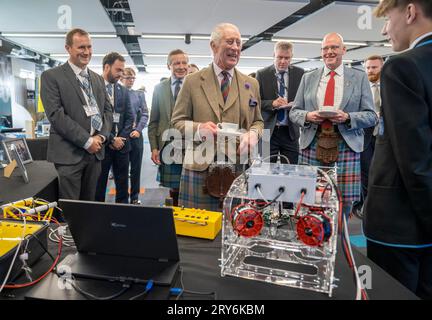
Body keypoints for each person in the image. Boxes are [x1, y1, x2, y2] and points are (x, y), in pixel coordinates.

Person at [364, 0, 432, 300]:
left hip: (404, 229)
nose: (384, 28)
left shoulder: (403, 66)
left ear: (409, 12)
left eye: (388, 18)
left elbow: (415, 163)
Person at [171, 23, 263, 211]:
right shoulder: (192, 81)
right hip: (199, 167)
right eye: (230, 42)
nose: (236, 48)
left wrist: (253, 134)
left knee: (236, 230)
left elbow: (258, 121)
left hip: (238, 167)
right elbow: (176, 122)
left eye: (239, 43)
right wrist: (198, 129)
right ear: (213, 46)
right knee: (195, 232)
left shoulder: (251, 84)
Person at [289, 32, 377, 218]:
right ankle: (312, 238)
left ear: (343, 50)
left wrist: (347, 117)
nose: (329, 52)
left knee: (343, 202)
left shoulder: (359, 77)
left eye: (334, 47)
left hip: (346, 144)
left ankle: (338, 241)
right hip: (312, 143)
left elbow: (371, 116)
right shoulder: (308, 77)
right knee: (309, 197)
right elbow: (294, 112)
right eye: (325, 48)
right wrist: (308, 116)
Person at [41, 28, 112, 200]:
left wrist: (101, 137)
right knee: (71, 209)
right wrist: (87, 141)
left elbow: (108, 111)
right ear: (68, 48)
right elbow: (56, 115)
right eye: (81, 47)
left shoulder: (97, 79)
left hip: (95, 153)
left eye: (89, 47)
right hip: (69, 154)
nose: (86, 52)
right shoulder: (51, 76)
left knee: (89, 205)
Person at [148, 49, 189, 206]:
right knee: (174, 188)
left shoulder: (195, 85)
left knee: (191, 186)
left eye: (184, 63)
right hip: (167, 145)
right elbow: (154, 121)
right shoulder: (159, 88)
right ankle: (176, 215)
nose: (181, 66)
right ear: (168, 66)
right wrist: (154, 147)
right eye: (176, 63)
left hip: (192, 145)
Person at [256, 41, 304, 164]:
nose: (283, 61)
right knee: (265, 170)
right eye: (280, 57)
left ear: (291, 57)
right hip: (267, 131)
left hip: (291, 131)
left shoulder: (300, 74)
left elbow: (304, 99)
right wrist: (272, 103)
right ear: (274, 55)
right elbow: (255, 102)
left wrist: (296, 104)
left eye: (287, 58)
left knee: (291, 170)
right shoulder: (262, 74)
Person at [95, 52, 133, 203]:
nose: (121, 74)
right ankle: (98, 217)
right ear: (106, 67)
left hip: (122, 147)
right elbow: (94, 119)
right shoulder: (94, 88)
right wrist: (111, 139)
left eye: (122, 70)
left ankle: (123, 214)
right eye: (118, 70)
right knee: (99, 184)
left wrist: (121, 138)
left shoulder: (122, 90)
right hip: (102, 146)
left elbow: (130, 117)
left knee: (123, 185)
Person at [352, 55, 384, 218]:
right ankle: (367, 206)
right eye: (368, 68)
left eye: (374, 67)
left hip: (385, 138)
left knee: (383, 172)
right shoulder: (360, 88)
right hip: (364, 136)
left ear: (382, 67)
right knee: (365, 172)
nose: (370, 71)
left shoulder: (390, 86)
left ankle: (381, 205)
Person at [121, 68, 149, 204]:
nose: (131, 80)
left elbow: (144, 114)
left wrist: (138, 129)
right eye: (128, 78)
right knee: (122, 170)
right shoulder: (117, 94)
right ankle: (123, 198)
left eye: (133, 78)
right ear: (121, 78)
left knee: (136, 169)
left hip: (136, 136)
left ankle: (135, 197)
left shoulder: (139, 94)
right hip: (122, 138)